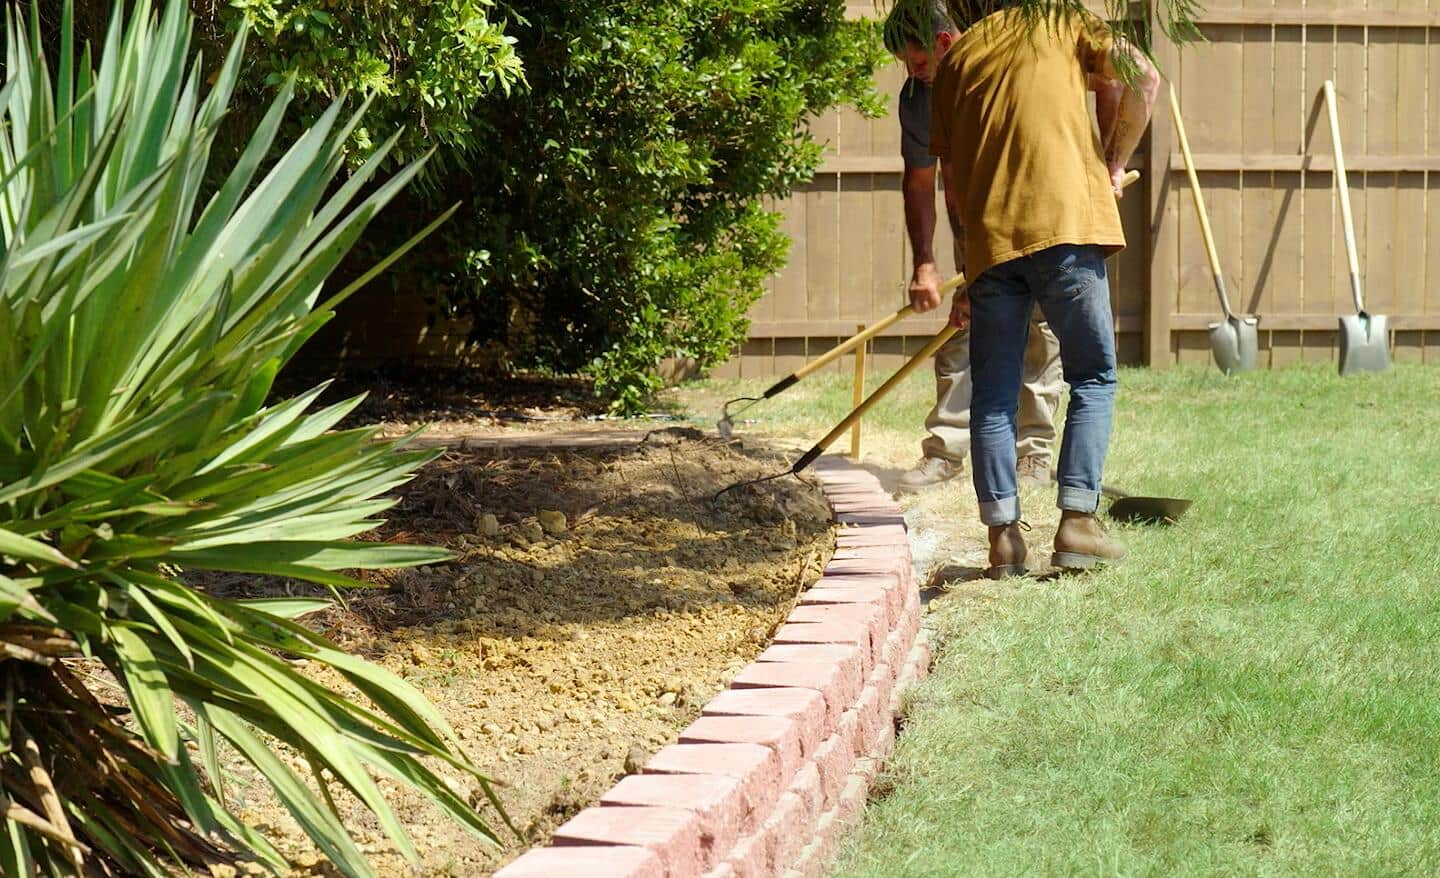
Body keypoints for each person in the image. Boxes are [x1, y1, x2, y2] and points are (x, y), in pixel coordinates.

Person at [927, 0, 1159, 576]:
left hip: (991, 245)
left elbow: (952, 185)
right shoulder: (1058, 17)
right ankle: (1078, 522)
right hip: (1066, 229)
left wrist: (966, 265)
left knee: (994, 395)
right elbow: (1144, 76)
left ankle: (1002, 540)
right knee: (1094, 375)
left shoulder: (957, 60)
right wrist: (1112, 165)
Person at [883, 0, 1063, 495]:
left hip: (1038, 214)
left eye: (917, 61)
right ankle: (945, 449)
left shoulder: (1007, 73)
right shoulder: (920, 99)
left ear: (943, 43)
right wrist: (929, 262)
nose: (913, 73)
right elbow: (925, 182)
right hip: (977, 226)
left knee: (1038, 329)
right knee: (963, 331)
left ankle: (1033, 455)